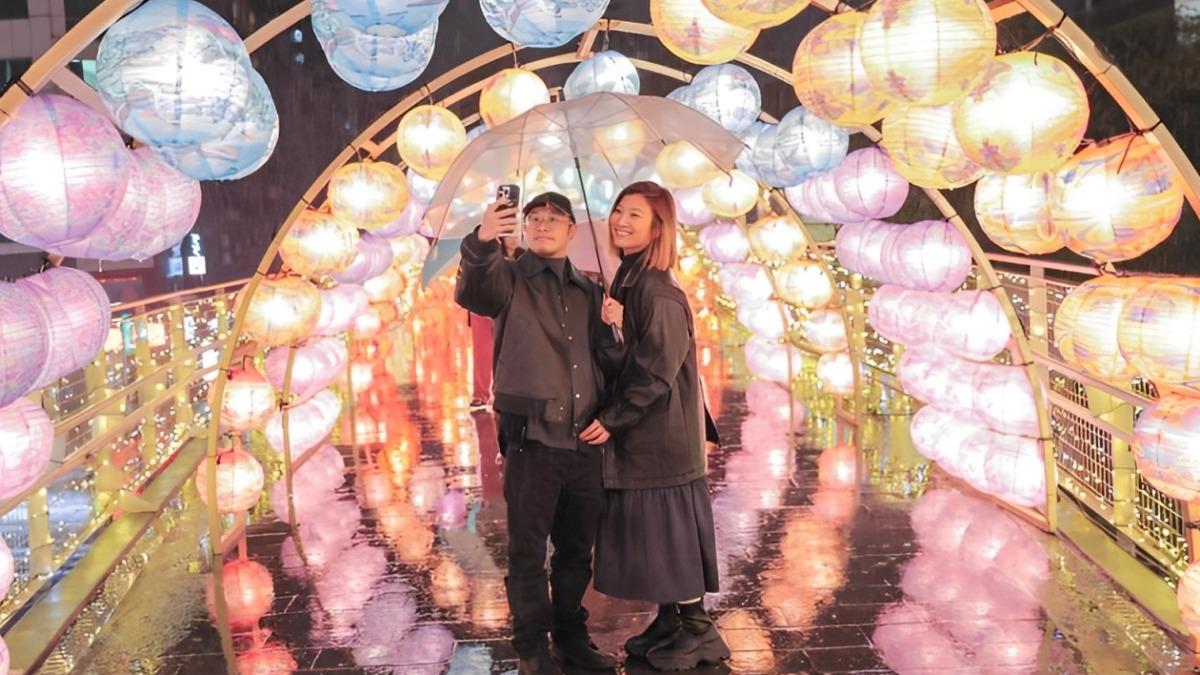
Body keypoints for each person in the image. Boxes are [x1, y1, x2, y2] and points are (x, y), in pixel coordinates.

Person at [455, 191, 620, 675]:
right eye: (534, 218)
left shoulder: (591, 290)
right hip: (533, 439)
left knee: (576, 551)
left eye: (554, 218)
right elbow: (474, 294)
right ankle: (531, 648)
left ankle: (571, 636)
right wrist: (483, 240)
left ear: (572, 230)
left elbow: (607, 362)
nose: (543, 224)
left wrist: (617, 328)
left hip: (584, 441)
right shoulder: (508, 278)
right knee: (527, 552)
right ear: (524, 229)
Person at [579, 180, 727, 671]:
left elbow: (656, 371)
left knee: (670, 534)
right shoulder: (631, 278)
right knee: (657, 537)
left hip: (661, 436)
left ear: (659, 227)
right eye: (618, 210)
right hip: (651, 433)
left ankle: (700, 632)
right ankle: (669, 621)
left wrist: (612, 419)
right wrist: (619, 325)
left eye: (635, 215)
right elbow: (636, 353)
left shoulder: (656, 288)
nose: (621, 221)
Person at [468, 236, 522, 410]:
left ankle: (501, 392)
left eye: (516, 232)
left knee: (506, 352)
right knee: (482, 351)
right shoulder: (487, 254)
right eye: (510, 233)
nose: (514, 237)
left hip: (509, 309)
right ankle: (480, 394)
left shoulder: (526, 257)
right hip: (481, 307)